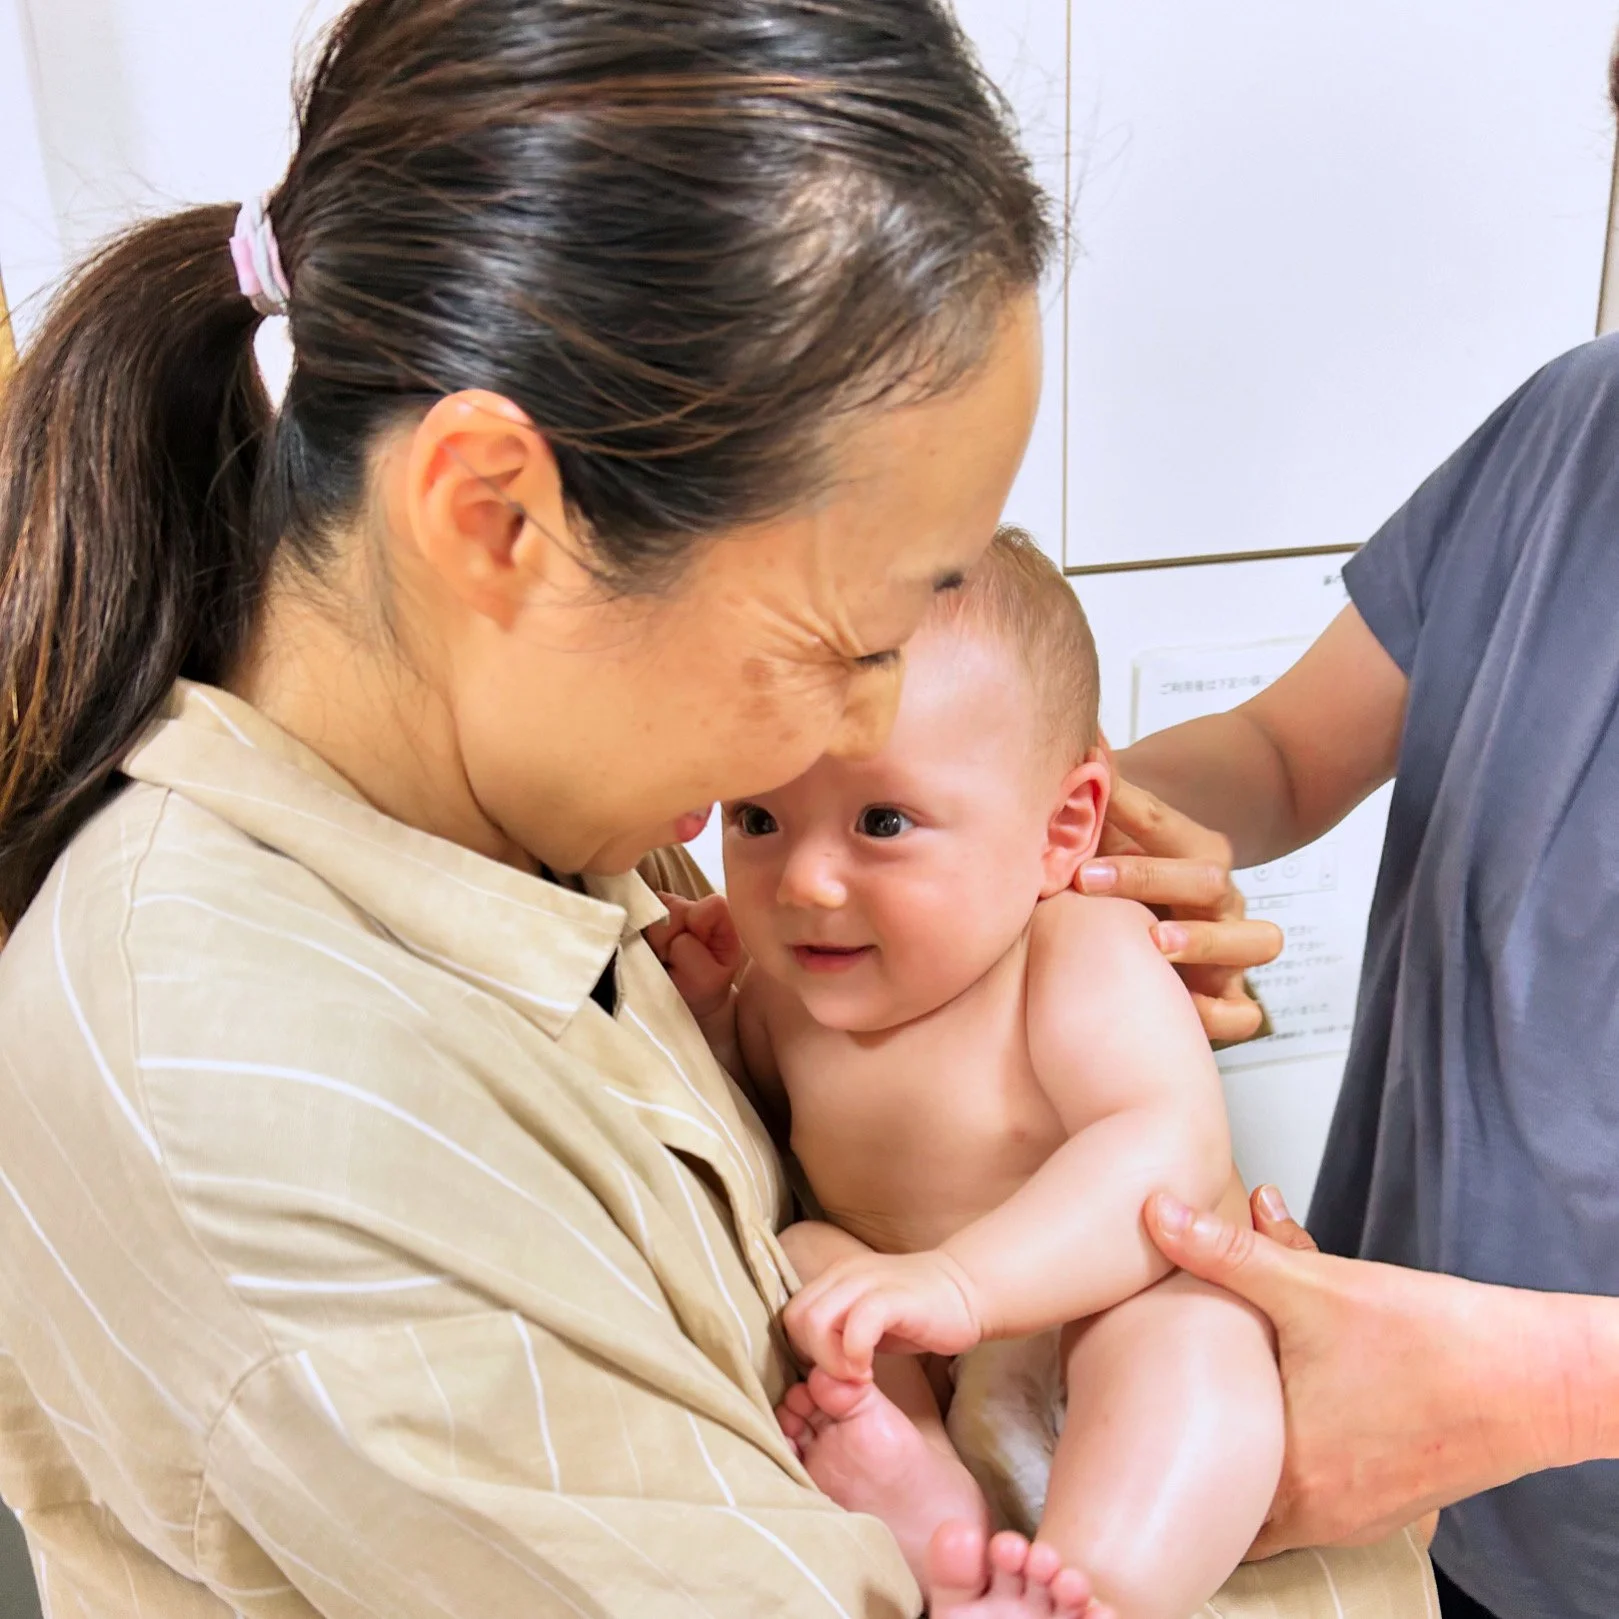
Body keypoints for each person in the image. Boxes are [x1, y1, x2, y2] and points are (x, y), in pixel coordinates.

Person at [652, 528, 1285, 1619]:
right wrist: (706, 1012)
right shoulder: (783, 989)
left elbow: (1164, 1146)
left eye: (882, 822)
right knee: (809, 1259)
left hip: (1095, 1321)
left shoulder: (1076, 949)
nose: (803, 881)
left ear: (1061, 828)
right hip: (917, 1343)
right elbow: (743, 1112)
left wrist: (961, 1284)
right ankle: (932, 1501)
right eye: (757, 818)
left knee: (1196, 1332)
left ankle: (1096, 1585)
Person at [1101, 312, 1619, 1617]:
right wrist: (1048, 817)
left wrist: (1544, 1387)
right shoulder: (1575, 421)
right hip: (1391, 1482)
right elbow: (1282, 753)